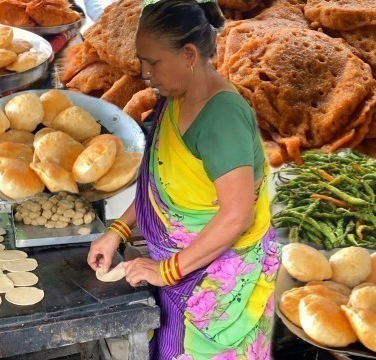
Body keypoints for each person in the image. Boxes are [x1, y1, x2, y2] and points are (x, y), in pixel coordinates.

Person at [87, 0, 281, 358]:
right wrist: (118, 231)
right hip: (188, 266)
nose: (144, 72)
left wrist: (166, 270)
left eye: (153, 62)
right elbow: (162, 190)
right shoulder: (175, 99)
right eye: (142, 60)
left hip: (221, 282)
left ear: (189, 54)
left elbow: (237, 215)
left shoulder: (221, 117)